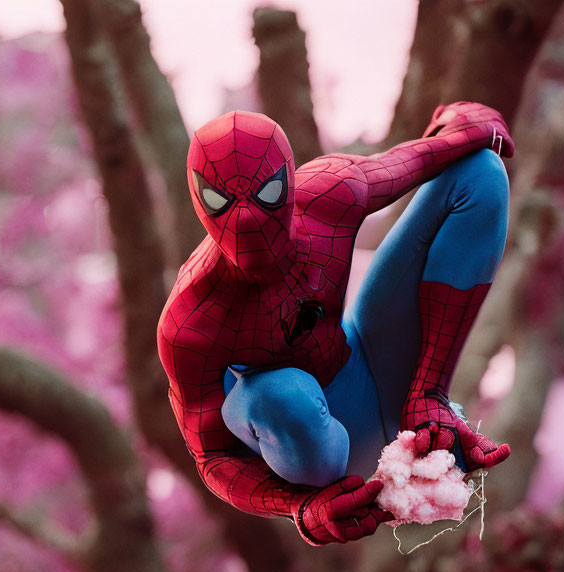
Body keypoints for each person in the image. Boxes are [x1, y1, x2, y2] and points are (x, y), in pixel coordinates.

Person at [157, 102, 513, 545]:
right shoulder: (190, 320)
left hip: (372, 367)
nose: (247, 219)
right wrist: (298, 507)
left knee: (481, 172)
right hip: (317, 453)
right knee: (279, 395)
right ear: (199, 200)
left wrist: (463, 129)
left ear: (288, 180)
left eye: (266, 194)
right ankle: (364, 445)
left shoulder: (328, 194)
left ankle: (428, 397)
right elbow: (211, 458)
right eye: (221, 201)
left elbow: (415, 158)